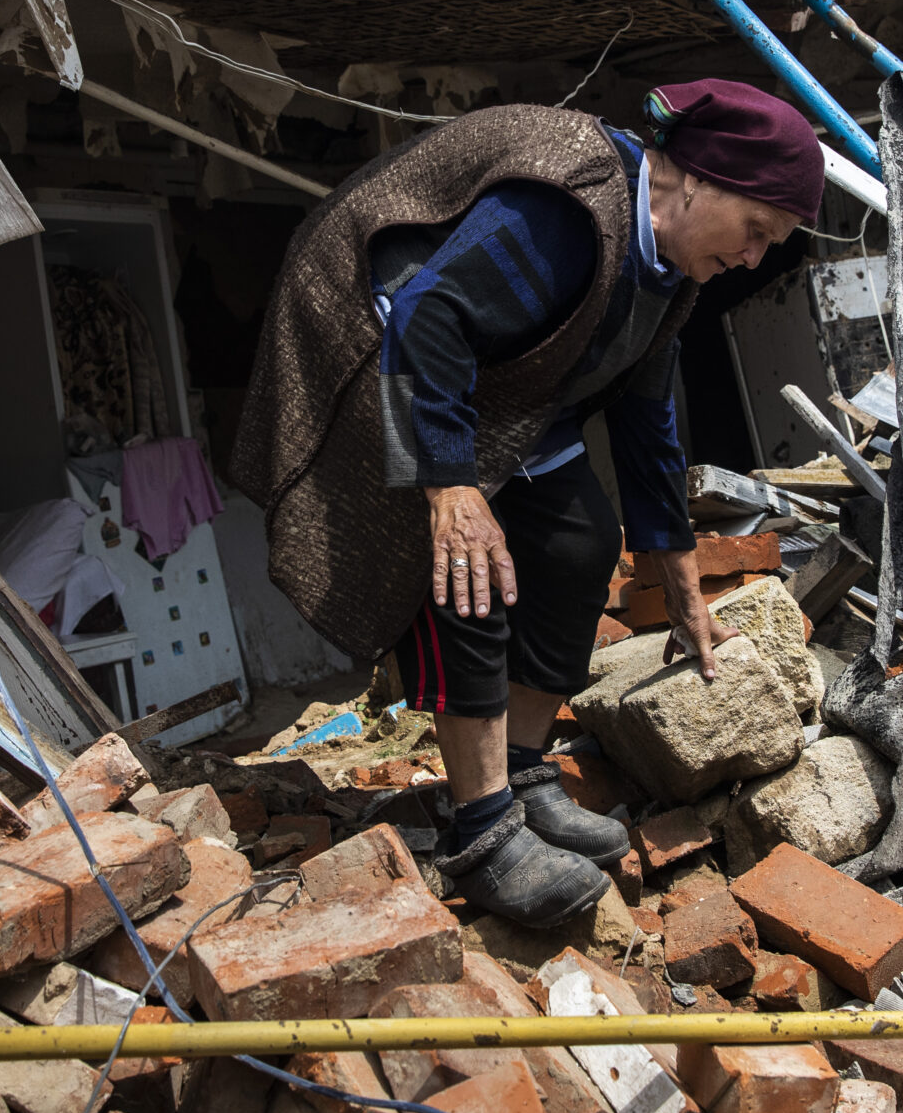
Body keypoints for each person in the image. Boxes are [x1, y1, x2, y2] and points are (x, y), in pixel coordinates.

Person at [234, 79, 825, 925]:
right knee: (471, 561)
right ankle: (479, 831)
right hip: (382, 334)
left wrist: (687, 590)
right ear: (697, 180)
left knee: (581, 537)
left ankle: (518, 771)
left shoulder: (668, 268)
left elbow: (646, 414)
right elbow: (432, 316)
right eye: (757, 232)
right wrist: (449, 485)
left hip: (492, 376)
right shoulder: (571, 211)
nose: (755, 259)